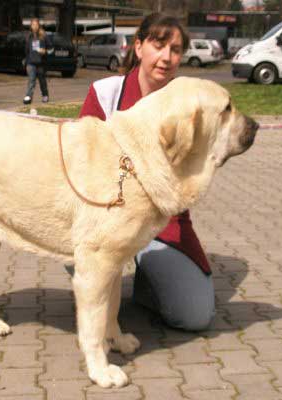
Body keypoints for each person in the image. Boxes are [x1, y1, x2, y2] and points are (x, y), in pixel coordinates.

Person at [79, 13, 216, 332]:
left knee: (194, 316)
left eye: (176, 49)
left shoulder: (190, 107)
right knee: (93, 298)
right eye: (158, 45)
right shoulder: (105, 93)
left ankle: (148, 285)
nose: (167, 57)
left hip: (163, 225)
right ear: (138, 47)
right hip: (103, 218)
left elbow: (189, 183)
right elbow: (80, 161)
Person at [23, 18, 52, 105]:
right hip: (31, 63)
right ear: (31, 26)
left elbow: (51, 49)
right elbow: (26, 51)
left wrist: (45, 51)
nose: (34, 26)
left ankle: (45, 95)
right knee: (31, 80)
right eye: (33, 25)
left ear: (39, 26)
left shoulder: (44, 36)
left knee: (42, 80)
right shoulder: (29, 37)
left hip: (41, 63)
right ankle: (28, 96)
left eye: (36, 25)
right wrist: (26, 60)